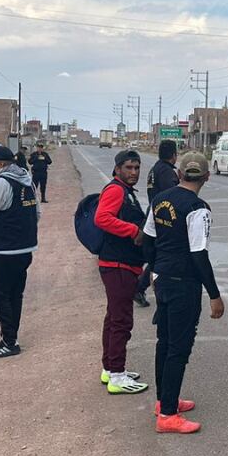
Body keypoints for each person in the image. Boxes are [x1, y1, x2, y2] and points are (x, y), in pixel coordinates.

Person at [142, 151, 224, 433]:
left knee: (164, 343)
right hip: (183, 284)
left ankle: (164, 401)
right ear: (206, 177)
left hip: (163, 279)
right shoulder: (198, 208)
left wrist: (153, 271)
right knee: (178, 348)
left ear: (178, 175)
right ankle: (167, 415)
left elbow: (148, 240)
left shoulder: (159, 199)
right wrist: (214, 294)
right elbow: (199, 254)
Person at [0, 146, 40, 359]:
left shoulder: (2, 183)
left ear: (1, 164)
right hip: (25, 248)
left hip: (3, 249)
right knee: (15, 294)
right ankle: (11, 337)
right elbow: (36, 213)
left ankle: (9, 341)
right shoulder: (27, 181)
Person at [94, 150, 149, 394]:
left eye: (137, 168)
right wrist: (132, 231)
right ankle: (117, 375)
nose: (133, 172)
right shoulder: (116, 190)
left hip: (122, 263)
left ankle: (110, 368)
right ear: (117, 169)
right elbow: (102, 218)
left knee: (113, 317)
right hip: (118, 265)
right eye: (128, 167)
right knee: (121, 320)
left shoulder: (125, 191)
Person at [135, 139, 181, 307]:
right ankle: (140, 287)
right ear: (174, 155)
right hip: (163, 218)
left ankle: (140, 286)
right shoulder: (167, 172)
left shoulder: (155, 169)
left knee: (153, 253)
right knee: (158, 255)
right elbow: (173, 195)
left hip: (153, 214)